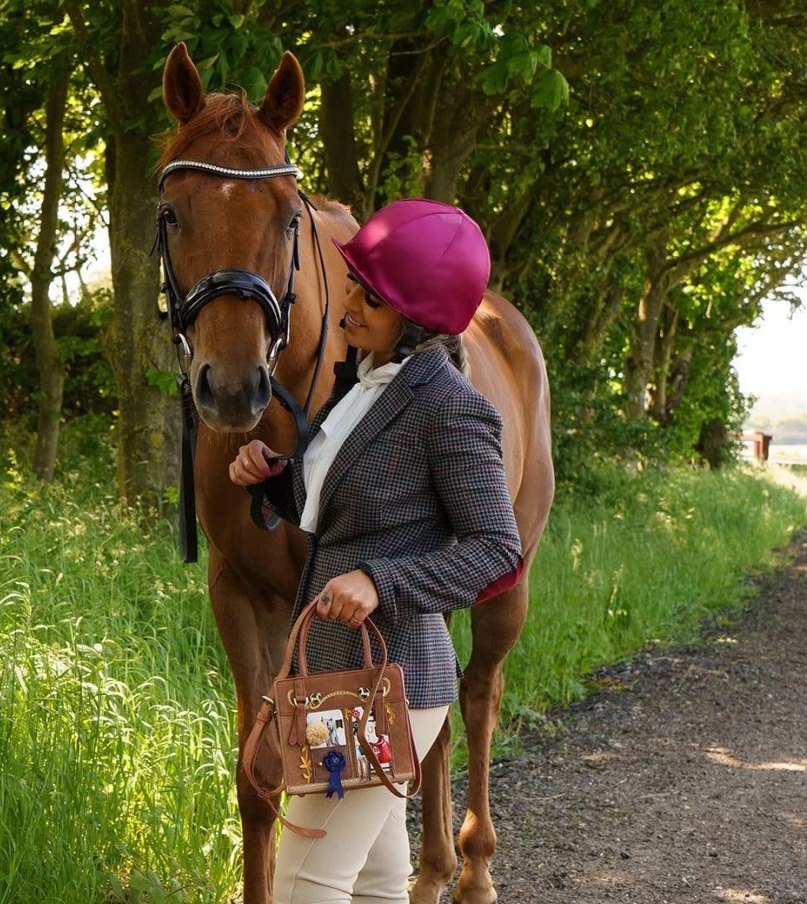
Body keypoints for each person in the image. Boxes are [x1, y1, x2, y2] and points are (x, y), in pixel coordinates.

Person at [229, 199, 523, 904]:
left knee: (305, 880)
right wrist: (276, 476)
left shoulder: (450, 407)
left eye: (372, 297)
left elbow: (496, 550)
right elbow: (344, 502)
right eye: (355, 284)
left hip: (387, 685)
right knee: (375, 882)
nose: (348, 304)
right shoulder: (360, 384)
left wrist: (381, 581)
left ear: (418, 317)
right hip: (344, 678)